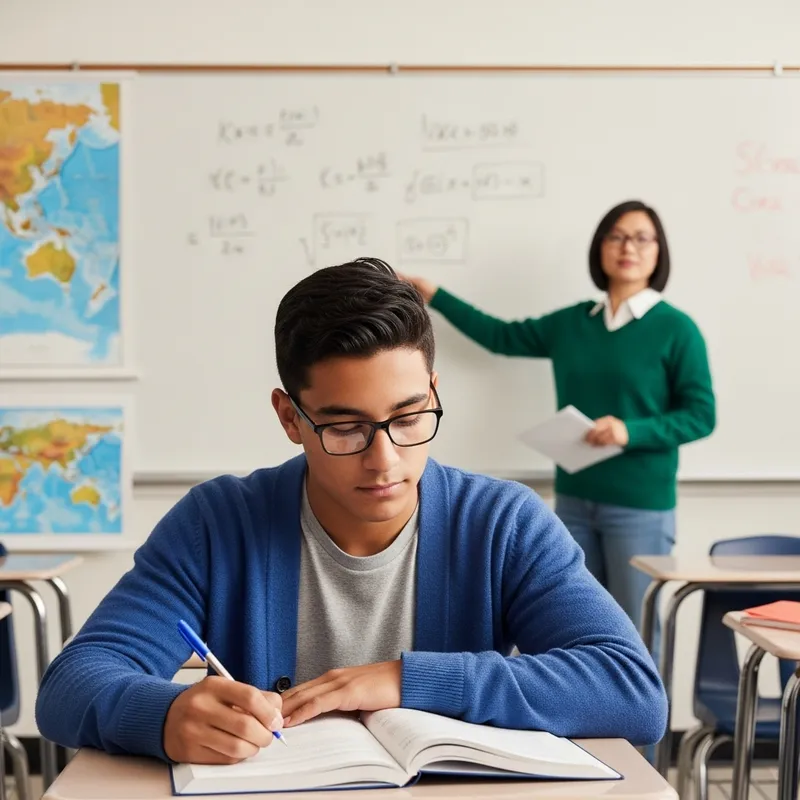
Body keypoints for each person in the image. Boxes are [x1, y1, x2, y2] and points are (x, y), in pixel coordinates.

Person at [36, 257, 666, 766]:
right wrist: (163, 714)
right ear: (290, 418)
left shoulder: (501, 522)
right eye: (345, 428)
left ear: (434, 393)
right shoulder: (218, 522)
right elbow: (71, 684)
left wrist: (409, 680)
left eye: (410, 417)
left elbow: (631, 690)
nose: (384, 460)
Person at [402, 200, 716, 650]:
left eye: (642, 238)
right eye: (617, 236)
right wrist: (435, 295)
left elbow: (701, 415)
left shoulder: (676, 329)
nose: (629, 247)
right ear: (601, 248)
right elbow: (501, 336)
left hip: (639, 506)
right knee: (567, 626)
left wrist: (632, 431)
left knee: (636, 631)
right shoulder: (573, 323)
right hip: (573, 499)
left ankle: (645, 723)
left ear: (658, 252)